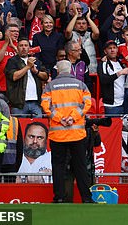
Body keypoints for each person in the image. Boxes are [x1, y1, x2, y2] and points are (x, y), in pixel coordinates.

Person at [41, 60, 94, 204]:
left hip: (58, 134)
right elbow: (87, 103)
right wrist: (72, 117)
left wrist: (60, 119)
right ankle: (86, 198)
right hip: (77, 133)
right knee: (81, 166)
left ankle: (58, 197)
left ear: (58, 71)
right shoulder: (81, 85)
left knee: (58, 167)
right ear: (71, 70)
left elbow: (46, 106)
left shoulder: (50, 86)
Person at [5, 37, 49, 117]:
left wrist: (36, 72)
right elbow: (14, 76)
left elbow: (46, 76)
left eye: (26, 45)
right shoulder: (12, 61)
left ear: (29, 48)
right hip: (19, 104)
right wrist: (28, 67)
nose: (24, 48)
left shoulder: (36, 61)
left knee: (38, 126)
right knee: (19, 128)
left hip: (36, 102)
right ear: (17, 48)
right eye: (21, 46)